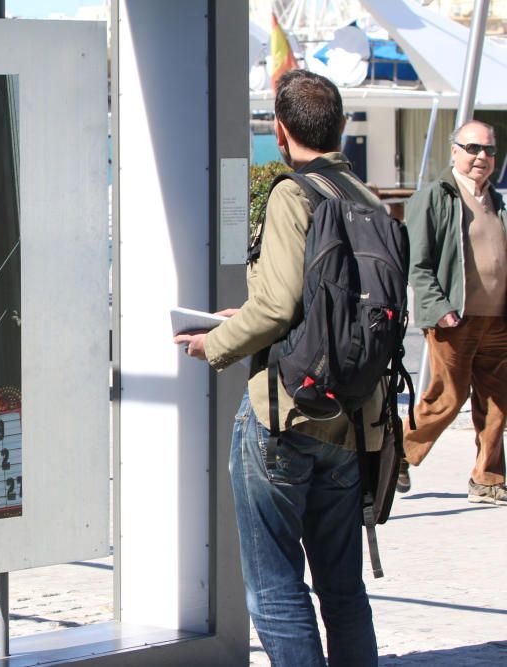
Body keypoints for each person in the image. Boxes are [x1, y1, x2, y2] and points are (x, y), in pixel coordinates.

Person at [175, 69, 384, 666]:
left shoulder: (296, 193)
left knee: (274, 589)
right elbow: (321, 302)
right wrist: (249, 313)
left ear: (281, 130)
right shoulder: (364, 197)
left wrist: (215, 345)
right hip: (350, 417)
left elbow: (278, 305)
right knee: (342, 589)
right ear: (341, 126)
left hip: (285, 413)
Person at [398, 120, 507, 505]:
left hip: (497, 320)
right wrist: (438, 308)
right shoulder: (434, 197)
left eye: (490, 150)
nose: (482, 157)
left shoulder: (498, 200)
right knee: (448, 397)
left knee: (498, 400)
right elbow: (417, 262)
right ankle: (397, 452)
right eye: (474, 148)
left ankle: (488, 478)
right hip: (454, 318)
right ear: (454, 151)